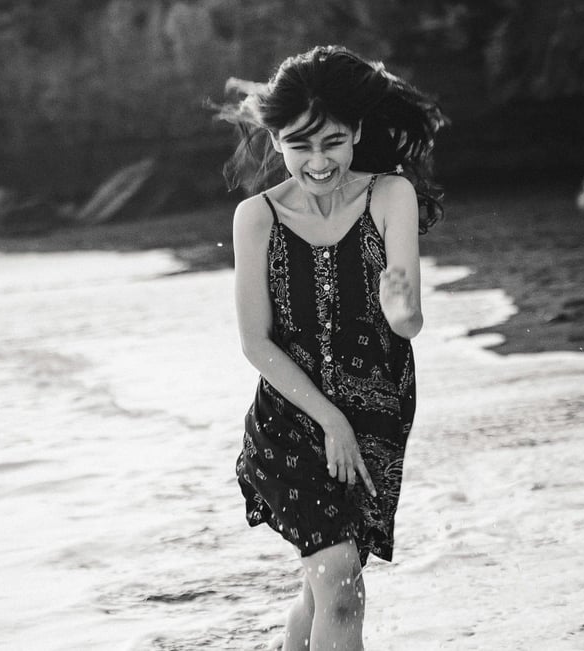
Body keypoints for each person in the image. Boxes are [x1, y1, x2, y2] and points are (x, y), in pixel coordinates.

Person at [217, 45, 445, 650]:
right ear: (276, 141)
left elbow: (408, 322)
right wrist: (330, 420)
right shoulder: (255, 217)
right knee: (340, 583)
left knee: (326, 585)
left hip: (376, 417)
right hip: (292, 419)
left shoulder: (390, 195)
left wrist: (401, 308)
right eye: (300, 145)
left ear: (358, 134)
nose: (318, 162)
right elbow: (255, 342)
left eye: (333, 143)